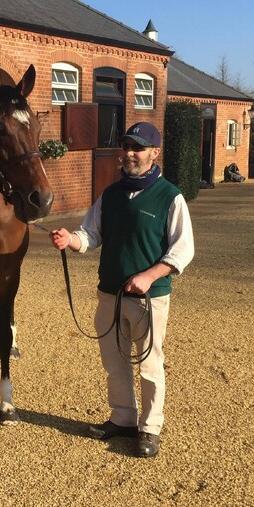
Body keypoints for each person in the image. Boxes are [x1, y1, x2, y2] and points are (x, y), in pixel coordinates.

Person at [50, 122, 194, 458]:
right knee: (114, 363)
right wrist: (70, 239)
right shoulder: (110, 195)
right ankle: (123, 419)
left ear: (154, 153)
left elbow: (183, 249)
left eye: (138, 148)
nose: (130, 153)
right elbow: (90, 235)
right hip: (109, 294)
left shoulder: (170, 196)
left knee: (149, 365)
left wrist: (150, 274)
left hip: (149, 297)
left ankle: (150, 429)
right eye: (127, 146)